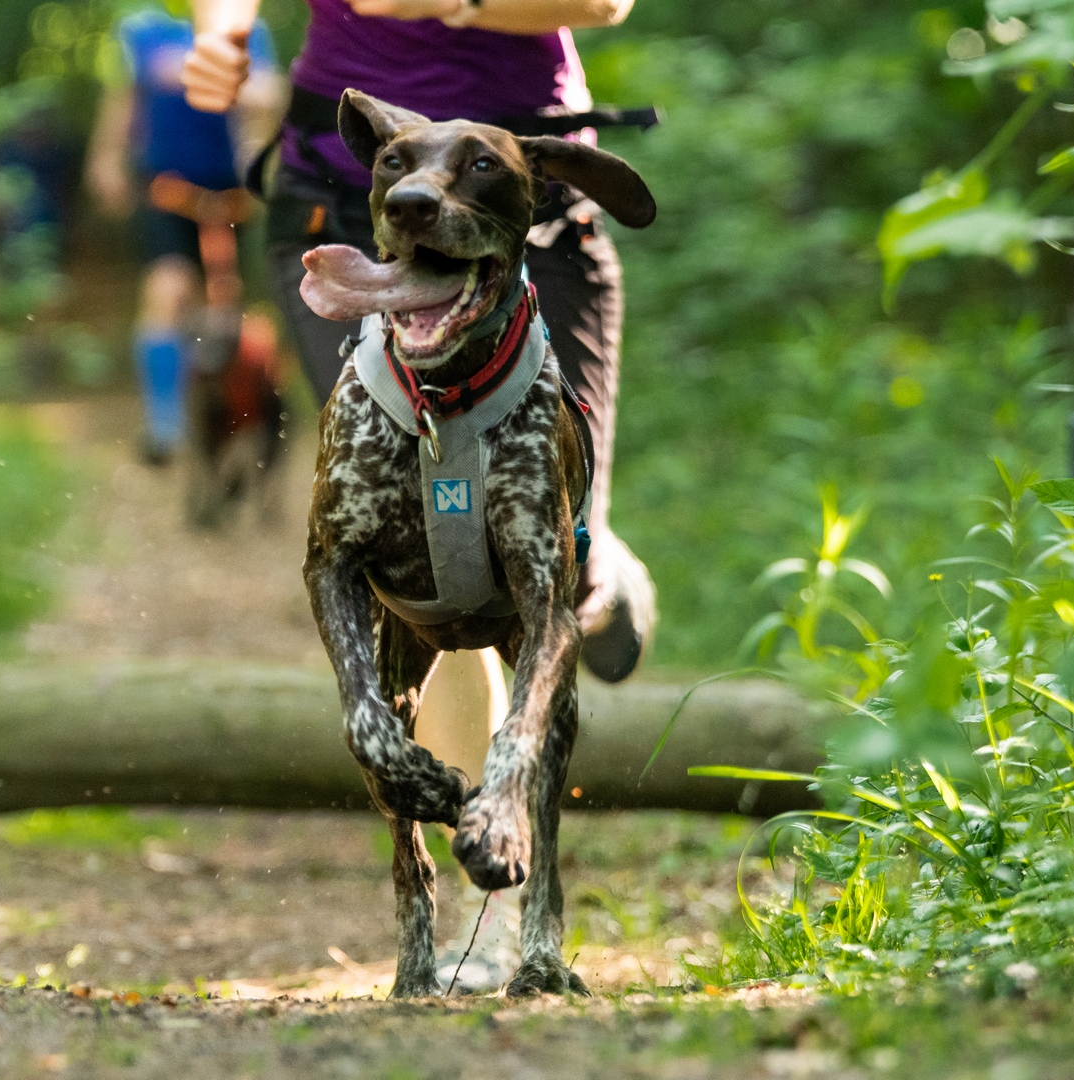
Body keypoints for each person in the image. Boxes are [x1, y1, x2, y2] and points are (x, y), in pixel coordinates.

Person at [183, 0, 655, 991]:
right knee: (438, 576)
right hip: (341, 193)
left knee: (572, 577)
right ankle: (481, 925)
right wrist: (221, 30)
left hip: (534, 212)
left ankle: (607, 574)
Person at [86, 1, 285, 464]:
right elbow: (123, 102)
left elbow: (272, 94)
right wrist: (105, 161)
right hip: (167, 191)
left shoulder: (248, 28)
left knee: (225, 315)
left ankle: (232, 418)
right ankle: (164, 424)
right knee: (167, 289)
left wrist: (232, 84)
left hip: (233, 197)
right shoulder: (142, 27)